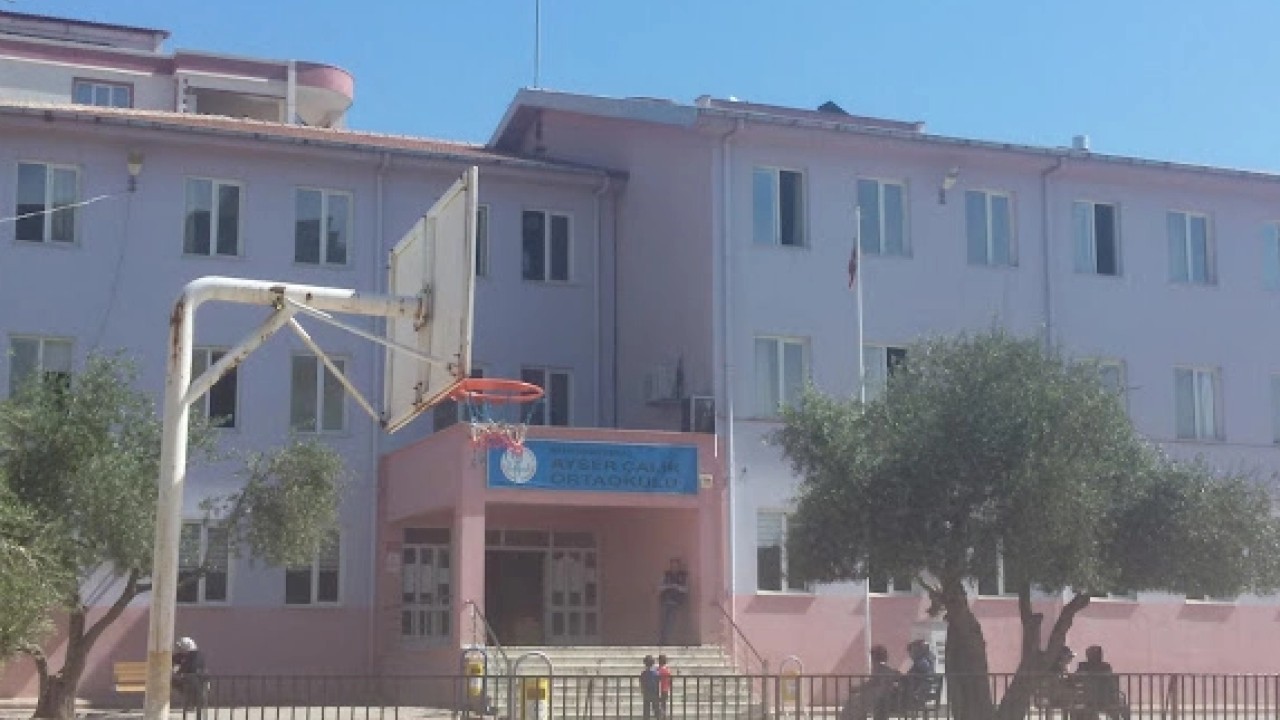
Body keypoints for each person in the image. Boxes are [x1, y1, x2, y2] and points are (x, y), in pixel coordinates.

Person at [840, 645, 902, 720]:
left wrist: (857, 688)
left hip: (875, 698)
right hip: (881, 698)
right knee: (854, 705)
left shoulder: (879, 669)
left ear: (874, 657)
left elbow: (872, 683)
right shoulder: (887, 669)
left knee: (851, 705)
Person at [1073, 645, 1130, 720]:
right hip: (1093, 699)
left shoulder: (1105, 666)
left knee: (1121, 707)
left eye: (1099, 654)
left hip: (1103, 698)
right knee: (1077, 708)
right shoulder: (1084, 666)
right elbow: (1076, 678)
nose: (1099, 656)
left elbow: (1112, 683)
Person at [172, 636, 208, 720]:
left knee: (187, 686)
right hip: (190, 680)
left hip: (196, 681)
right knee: (177, 683)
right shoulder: (185, 655)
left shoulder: (195, 655)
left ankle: (192, 703)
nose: (180, 649)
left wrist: (178, 670)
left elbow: (190, 668)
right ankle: (191, 702)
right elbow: (175, 659)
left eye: (181, 647)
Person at [657, 558, 688, 646]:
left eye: (676, 566)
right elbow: (660, 588)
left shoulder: (683, 576)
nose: (674, 567)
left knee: (670, 622)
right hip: (665, 601)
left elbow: (685, 589)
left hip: (676, 602)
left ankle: (666, 641)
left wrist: (676, 586)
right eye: (672, 566)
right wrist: (668, 586)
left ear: (678, 566)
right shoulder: (666, 575)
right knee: (663, 622)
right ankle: (662, 640)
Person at [902, 640, 937, 707]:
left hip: (918, 690)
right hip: (923, 688)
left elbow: (905, 673)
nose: (909, 654)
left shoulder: (920, 661)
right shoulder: (927, 659)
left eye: (910, 651)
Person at [639, 654, 663, 720]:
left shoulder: (643, 673)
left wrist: (642, 690)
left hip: (646, 693)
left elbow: (642, 683)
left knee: (646, 711)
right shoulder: (656, 673)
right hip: (654, 693)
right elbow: (658, 683)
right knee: (656, 710)